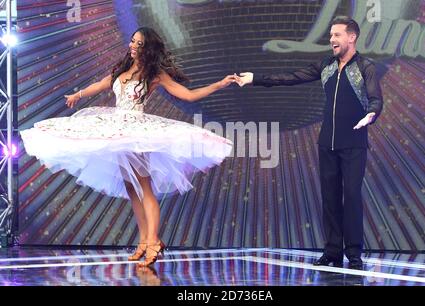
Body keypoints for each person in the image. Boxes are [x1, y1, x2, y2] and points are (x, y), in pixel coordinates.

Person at [20, 27, 235, 267]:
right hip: (116, 130)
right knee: (132, 188)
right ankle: (144, 241)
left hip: (136, 133)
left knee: (145, 187)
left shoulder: (155, 74)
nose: (132, 46)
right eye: (132, 41)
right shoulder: (123, 67)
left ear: (148, 48)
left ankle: (153, 241)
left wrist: (220, 84)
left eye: (139, 43)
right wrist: (77, 95)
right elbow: (102, 84)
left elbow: (188, 95)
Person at [236, 17, 383, 270]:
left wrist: (371, 115)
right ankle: (333, 251)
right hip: (327, 143)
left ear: (352, 37)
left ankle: (354, 254)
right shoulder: (326, 65)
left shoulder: (365, 67)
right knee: (330, 198)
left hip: (354, 144)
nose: (331, 40)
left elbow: (375, 99)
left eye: (337, 35)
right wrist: (255, 78)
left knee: (351, 197)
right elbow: (292, 77)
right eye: (330, 35)